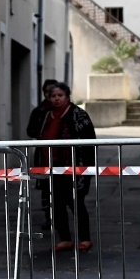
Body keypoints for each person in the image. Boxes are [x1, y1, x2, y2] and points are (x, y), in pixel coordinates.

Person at [32, 82, 97, 251]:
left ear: (67, 97)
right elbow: (33, 131)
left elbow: (89, 142)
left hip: (74, 167)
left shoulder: (78, 115)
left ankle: (85, 238)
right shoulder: (46, 115)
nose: (56, 99)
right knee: (57, 204)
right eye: (53, 96)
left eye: (60, 96)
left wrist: (87, 169)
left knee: (76, 203)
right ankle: (65, 239)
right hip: (50, 167)